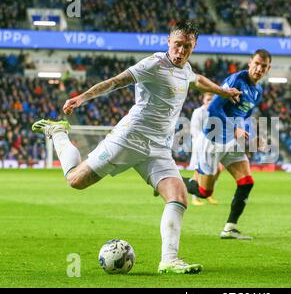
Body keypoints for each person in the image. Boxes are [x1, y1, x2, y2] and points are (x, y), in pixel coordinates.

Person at [31, 21, 241, 274]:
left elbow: (197, 80)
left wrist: (223, 91)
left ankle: (169, 260)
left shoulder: (185, 69)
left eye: (187, 46)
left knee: (178, 196)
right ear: (168, 42)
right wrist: (81, 98)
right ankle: (59, 133)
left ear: (194, 47)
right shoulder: (153, 64)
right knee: (75, 180)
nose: (181, 51)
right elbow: (116, 82)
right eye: (177, 45)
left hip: (159, 148)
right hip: (128, 139)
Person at [183, 49, 271, 240]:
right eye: (256, 63)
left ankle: (229, 228)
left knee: (246, 182)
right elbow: (214, 108)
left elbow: (244, 116)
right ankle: (170, 181)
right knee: (204, 192)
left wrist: (252, 137)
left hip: (232, 142)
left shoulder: (258, 92)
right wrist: (234, 129)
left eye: (263, 66)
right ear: (250, 63)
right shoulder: (235, 81)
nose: (259, 68)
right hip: (214, 139)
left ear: (267, 69)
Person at [189, 92, 223, 206]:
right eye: (208, 99)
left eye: (212, 100)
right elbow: (195, 131)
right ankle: (195, 197)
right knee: (198, 171)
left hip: (214, 146)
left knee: (217, 170)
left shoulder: (217, 113)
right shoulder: (198, 112)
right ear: (203, 100)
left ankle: (208, 193)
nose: (210, 102)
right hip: (200, 146)